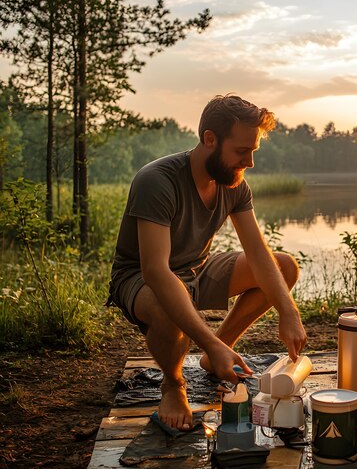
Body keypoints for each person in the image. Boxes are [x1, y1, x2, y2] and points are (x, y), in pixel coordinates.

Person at [108, 94, 308, 431]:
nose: (250, 163)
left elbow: (259, 255)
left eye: (253, 151)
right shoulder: (157, 180)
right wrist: (208, 340)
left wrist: (289, 312)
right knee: (165, 303)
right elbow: (156, 272)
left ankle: (217, 353)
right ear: (210, 139)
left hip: (197, 270)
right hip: (140, 279)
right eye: (242, 152)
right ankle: (173, 384)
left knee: (284, 266)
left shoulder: (234, 185)